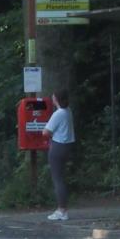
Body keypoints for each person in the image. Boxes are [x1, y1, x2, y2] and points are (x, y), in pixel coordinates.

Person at [43, 89, 75, 221]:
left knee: (57, 179)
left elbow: (46, 131)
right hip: (67, 145)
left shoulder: (58, 114)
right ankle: (62, 208)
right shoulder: (68, 111)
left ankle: (62, 210)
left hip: (57, 146)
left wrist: (50, 135)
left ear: (56, 99)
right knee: (61, 177)